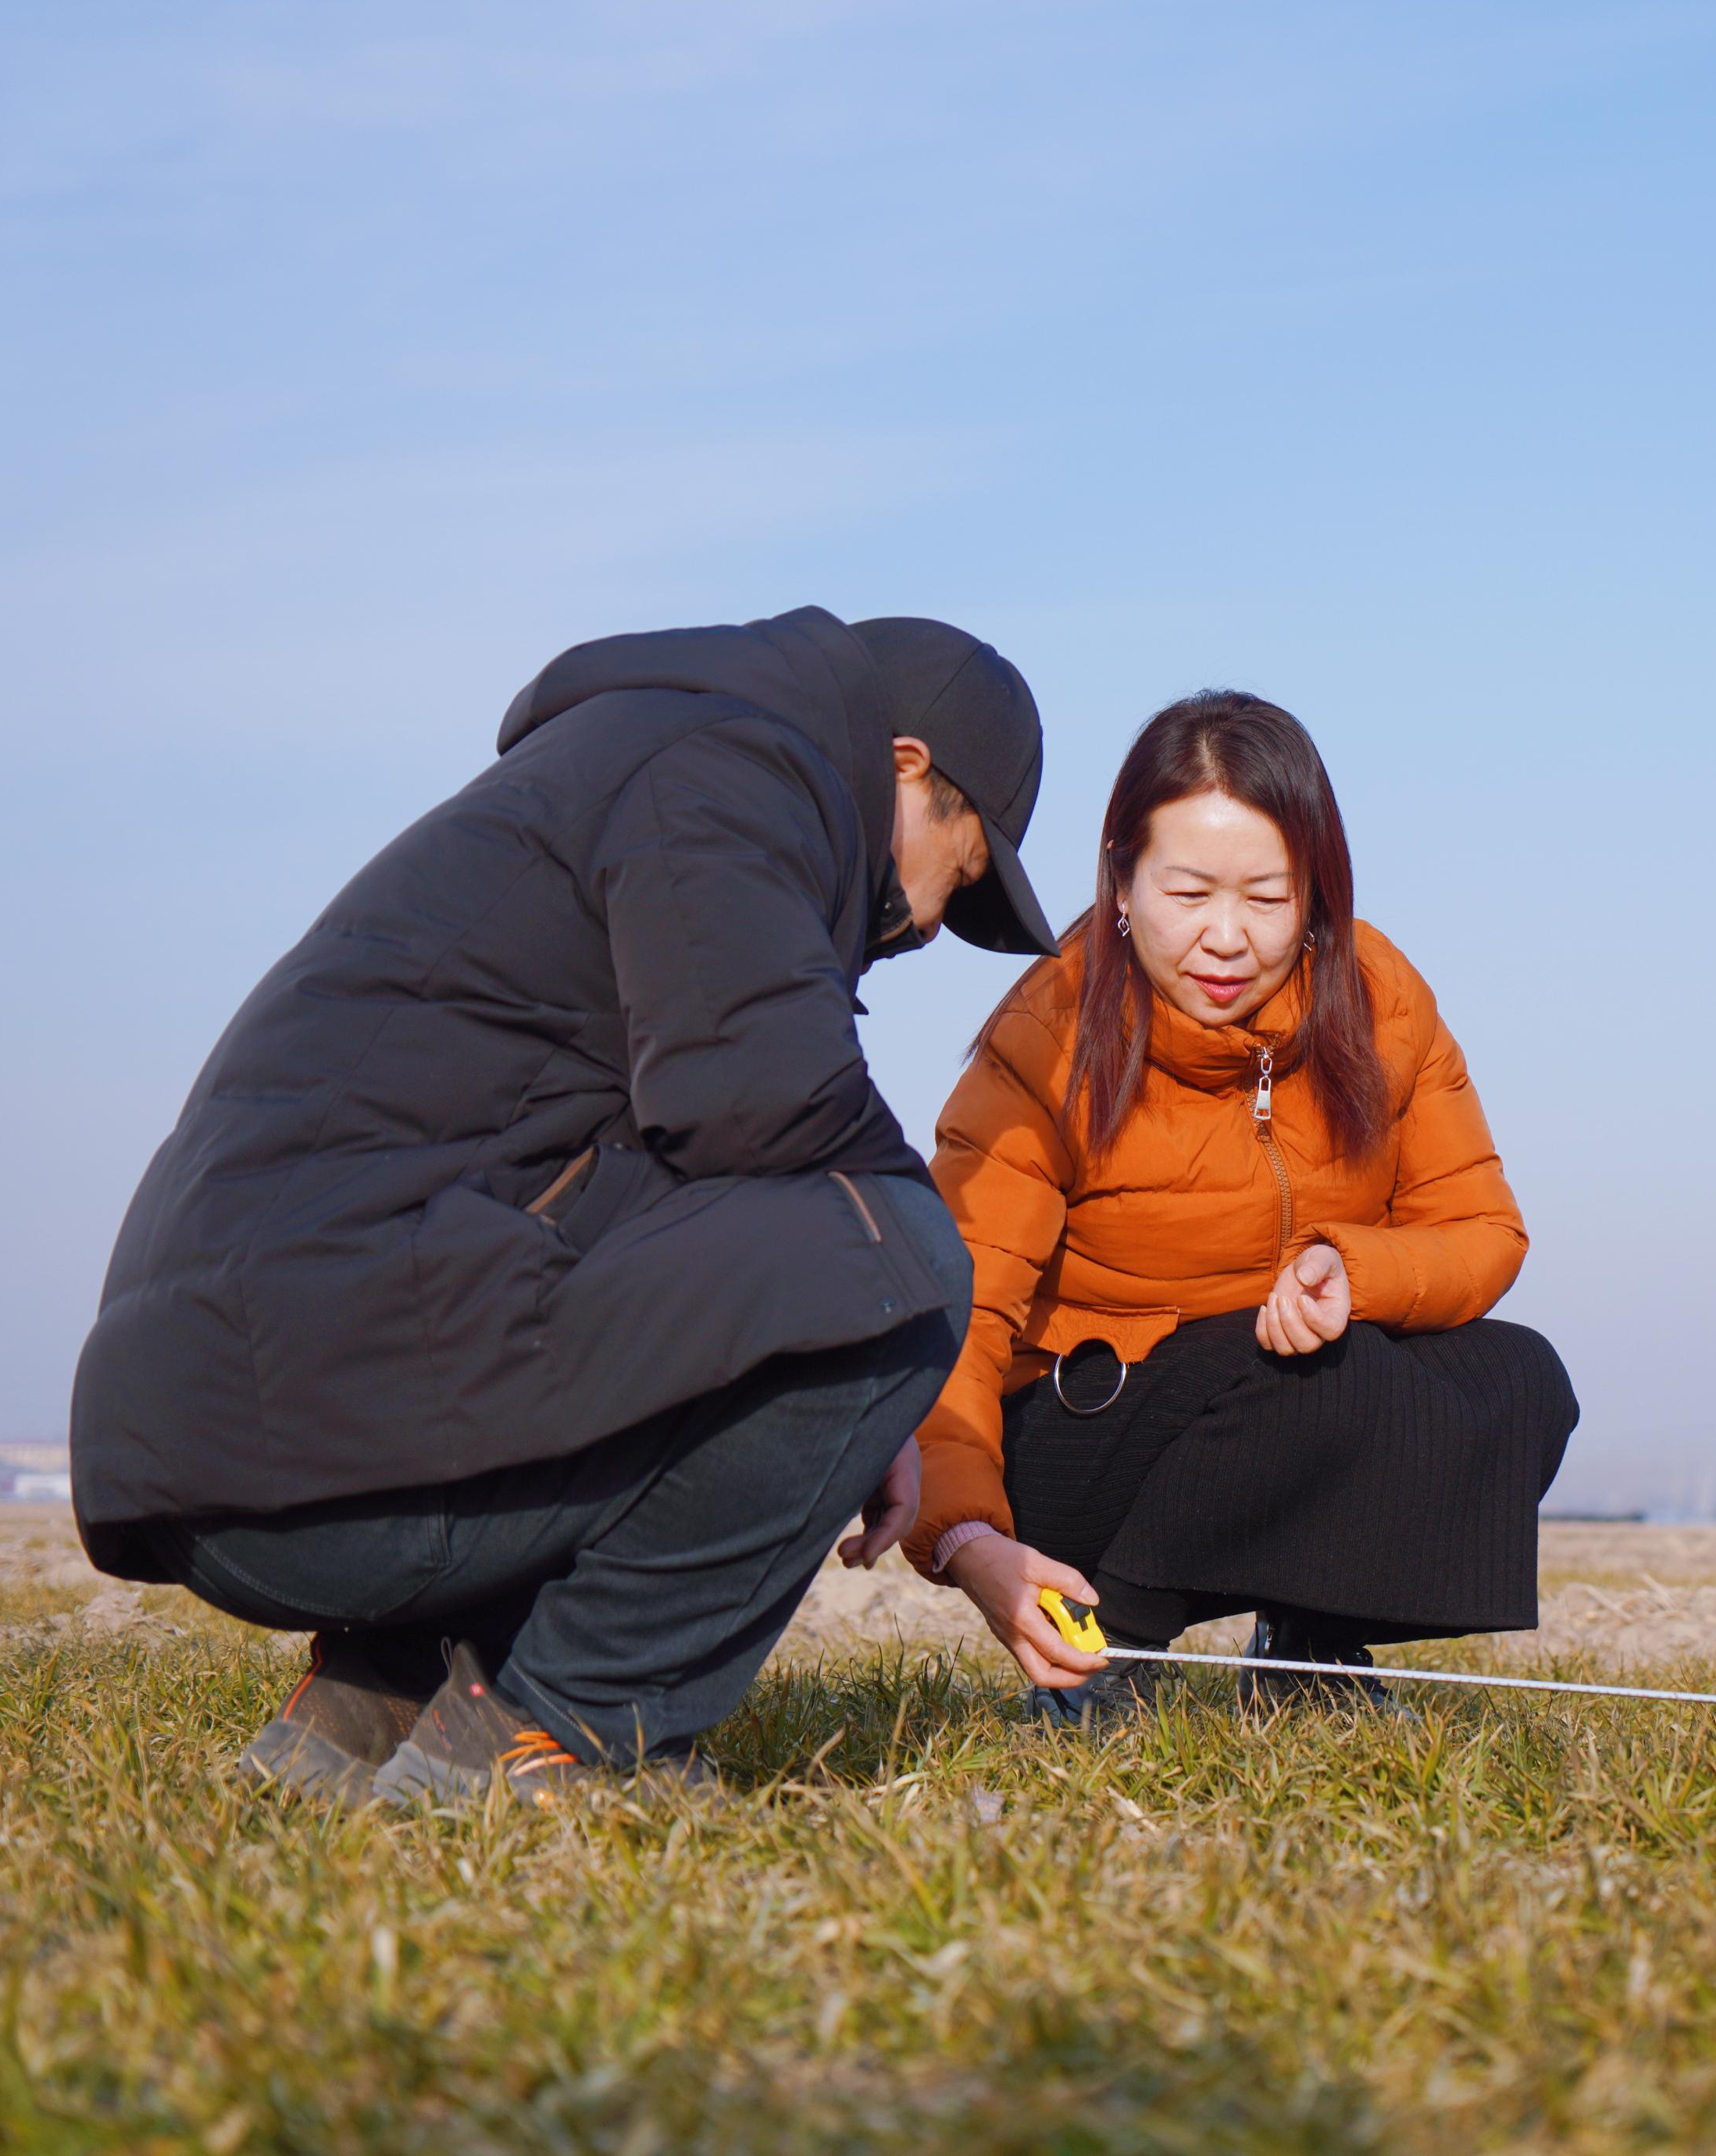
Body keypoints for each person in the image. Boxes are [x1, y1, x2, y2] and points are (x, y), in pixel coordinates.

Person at [71, 608, 1061, 1804]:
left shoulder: (642, 757)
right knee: (901, 1246)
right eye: (955, 876)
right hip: (301, 1462)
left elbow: (663, 1167)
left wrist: (868, 1385)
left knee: (797, 1245)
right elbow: (755, 1098)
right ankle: (569, 1732)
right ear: (908, 767)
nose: (928, 922)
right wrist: (884, 1325)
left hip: (231, 1433)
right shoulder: (736, 768)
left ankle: (382, 1693)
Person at [898, 690, 1577, 1722]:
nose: (1225, 937)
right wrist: (963, 1533)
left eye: (1267, 897)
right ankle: (1095, 1652)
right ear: (1123, 876)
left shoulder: (1381, 995)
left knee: (1518, 1379)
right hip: (1083, 1424)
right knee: (1292, 1379)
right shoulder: (1053, 1032)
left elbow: (1481, 1229)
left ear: (1316, 892)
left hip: (1279, 1403)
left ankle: (1309, 1650)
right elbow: (961, 1311)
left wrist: (1359, 1270)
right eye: (1188, 891)